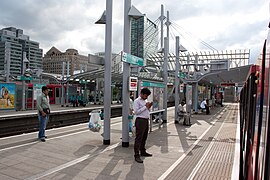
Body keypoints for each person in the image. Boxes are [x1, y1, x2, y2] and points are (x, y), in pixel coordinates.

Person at [133, 88, 153, 163]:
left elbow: (147, 110)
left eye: (147, 96)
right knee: (139, 138)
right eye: (145, 95)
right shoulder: (137, 101)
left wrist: (149, 107)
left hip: (145, 120)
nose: (146, 97)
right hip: (140, 120)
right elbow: (136, 112)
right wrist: (145, 107)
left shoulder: (145, 101)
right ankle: (136, 154)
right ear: (141, 94)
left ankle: (143, 151)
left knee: (144, 137)